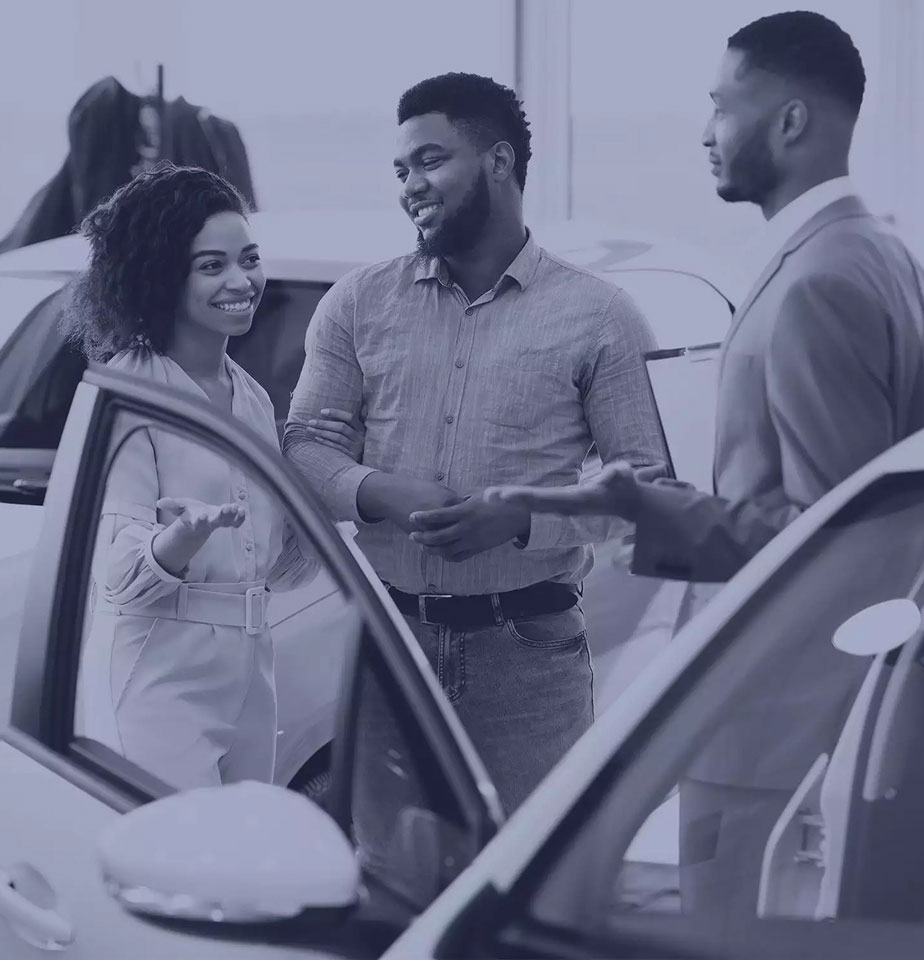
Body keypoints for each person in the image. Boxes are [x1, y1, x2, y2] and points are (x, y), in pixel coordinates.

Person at [486, 11, 924, 918]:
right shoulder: (877, 253)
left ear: (791, 121)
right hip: (818, 718)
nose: (704, 131)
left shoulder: (821, 280)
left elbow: (829, 542)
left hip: (780, 728)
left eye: (723, 106)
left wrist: (642, 507)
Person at [283, 73, 666, 826]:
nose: (410, 186)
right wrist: (378, 491)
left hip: (528, 656)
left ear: (498, 160)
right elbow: (303, 447)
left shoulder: (600, 315)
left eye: (430, 161)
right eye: (401, 170)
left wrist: (522, 518)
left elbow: (646, 488)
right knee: (391, 874)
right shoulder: (357, 303)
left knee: (527, 876)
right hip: (389, 645)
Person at [65, 163, 363, 790]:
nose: (241, 281)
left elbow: (279, 571)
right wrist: (180, 539)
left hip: (251, 672)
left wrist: (326, 489)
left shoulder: (252, 398)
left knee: (242, 847)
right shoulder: (128, 393)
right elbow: (116, 576)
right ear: (161, 276)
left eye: (249, 259)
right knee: (175, 847)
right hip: (158, 675)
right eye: (212, 266)